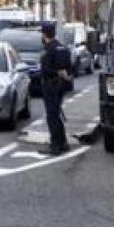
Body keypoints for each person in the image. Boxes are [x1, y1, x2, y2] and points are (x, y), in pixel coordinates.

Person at [39, 23, 72, 155]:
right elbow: (70, 67)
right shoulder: (63, 48)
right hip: (61, 85)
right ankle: (63, 142)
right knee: (56, 113)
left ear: (44, 34)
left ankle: (55, 145)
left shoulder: (48, 49)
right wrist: (65, 73)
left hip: (51, 85)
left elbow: (45, 70)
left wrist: (56, 72)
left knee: (52, 116)